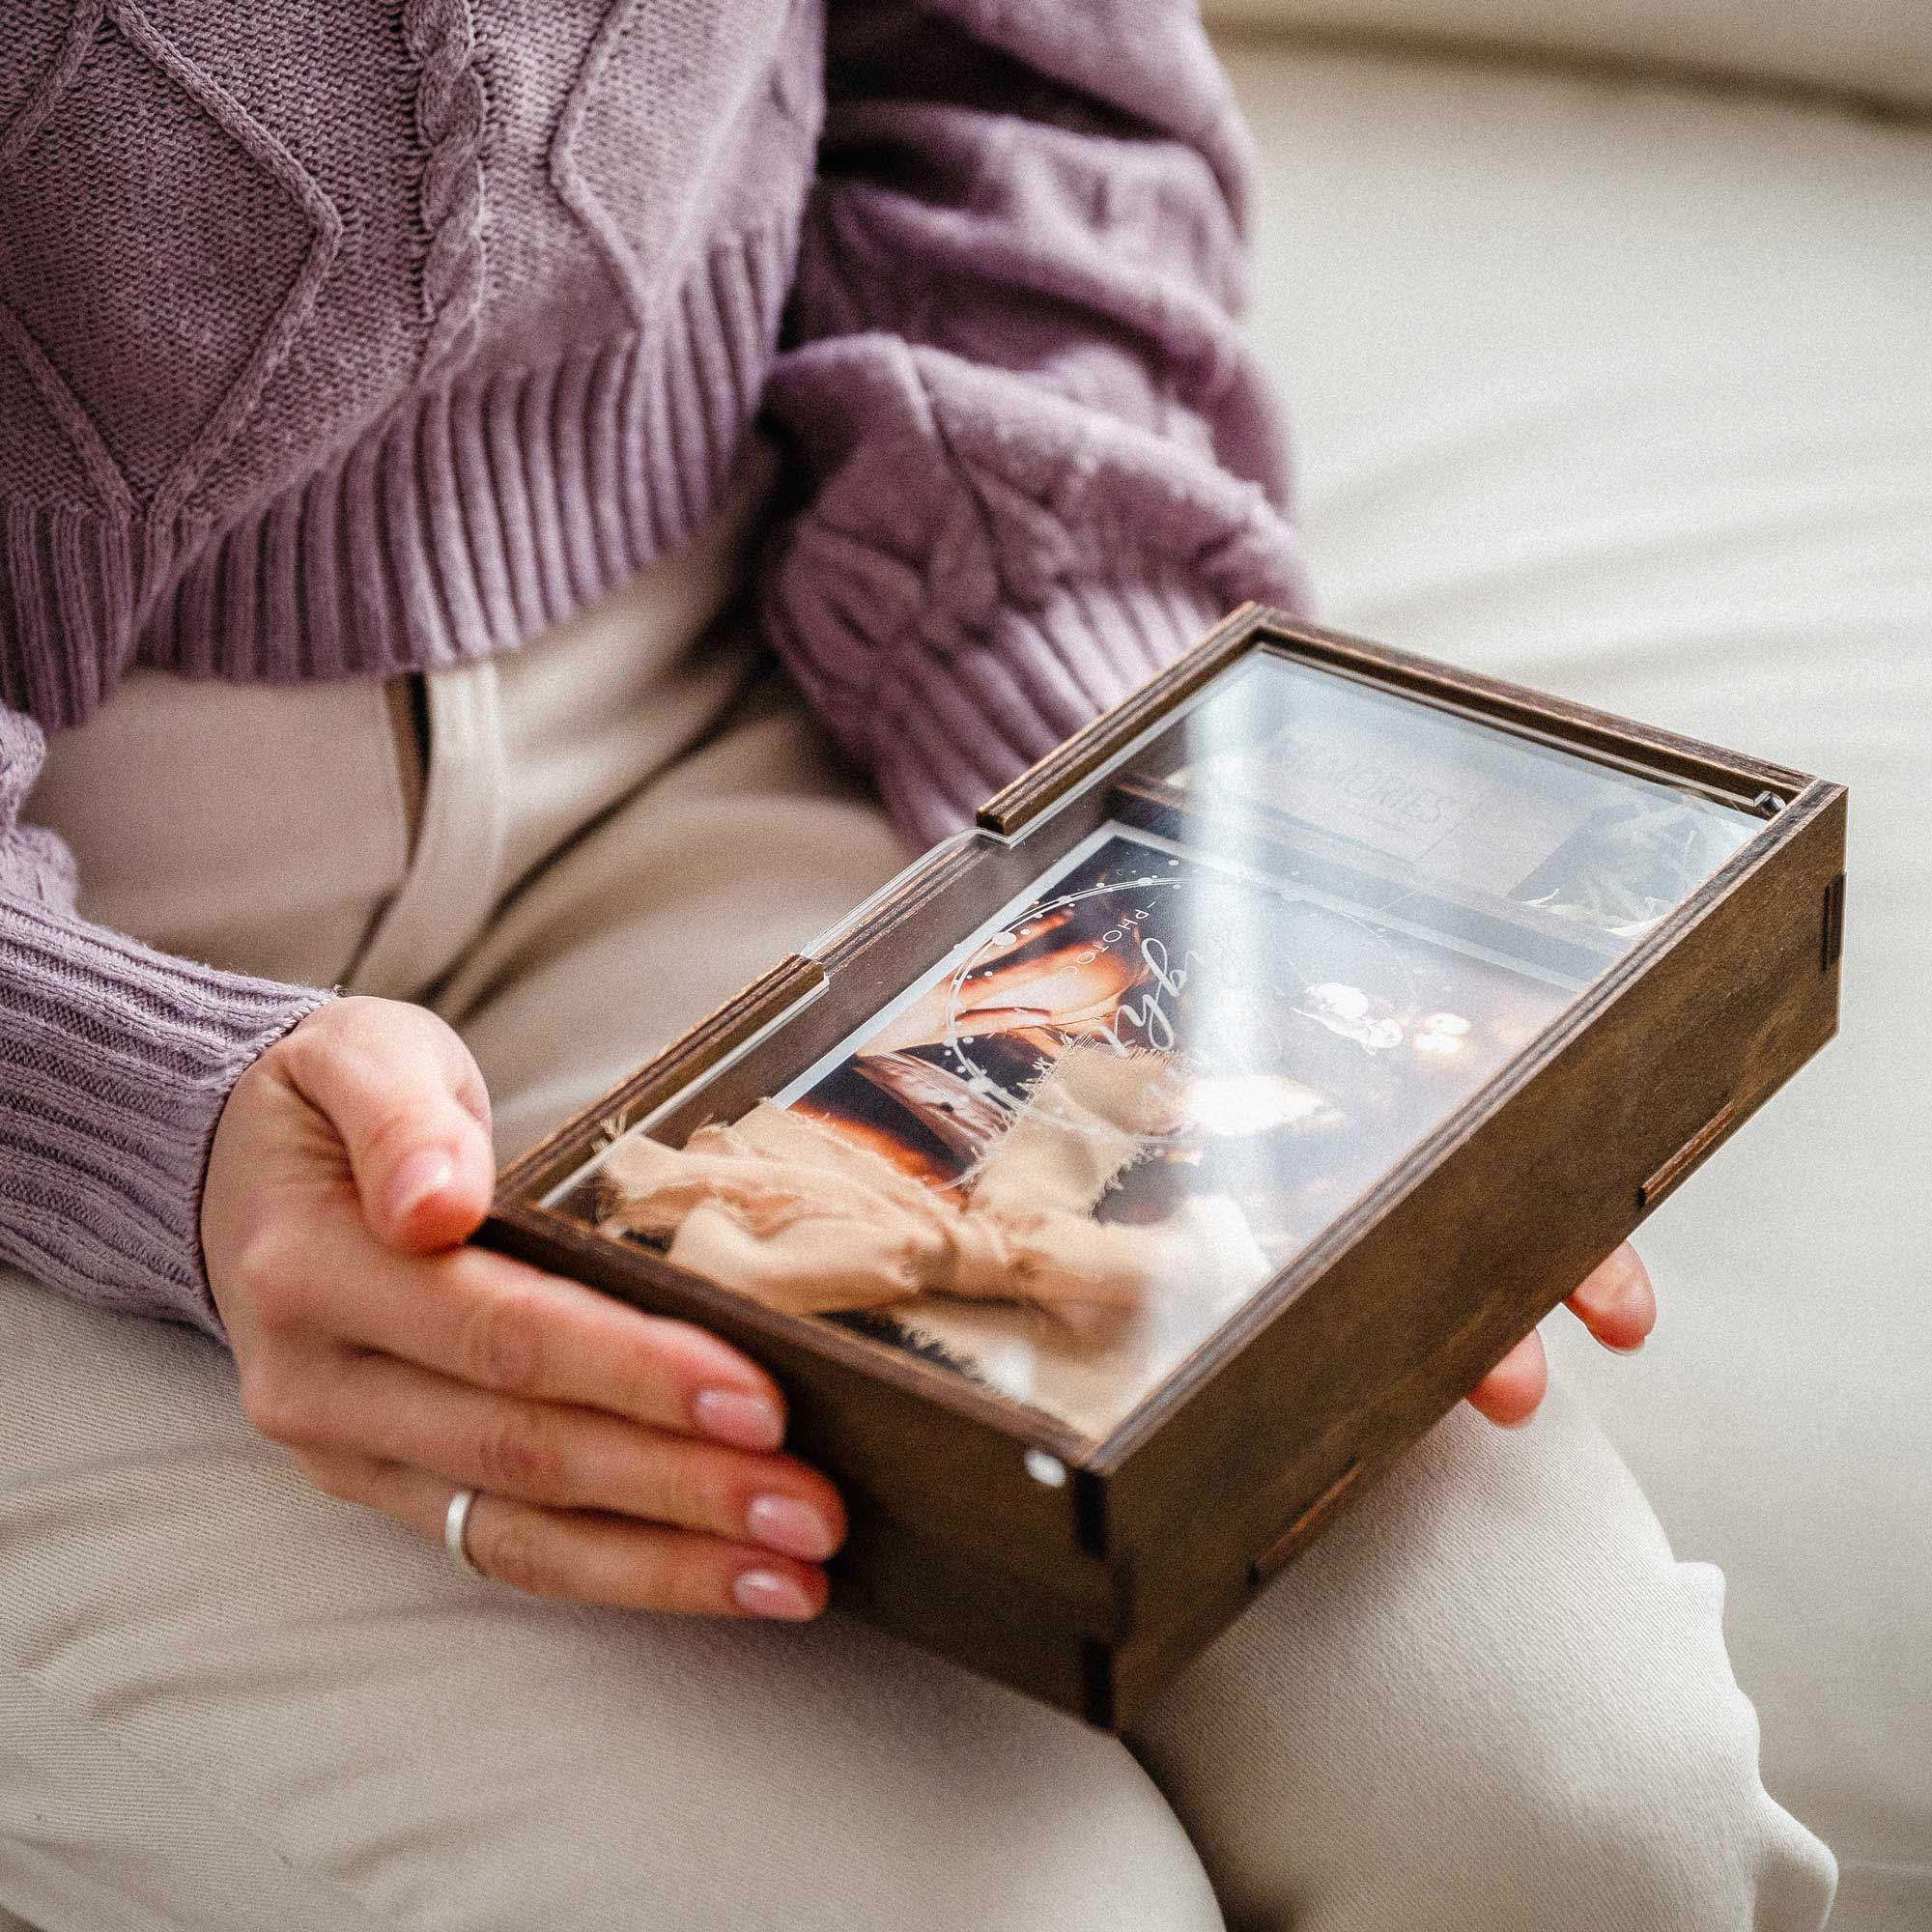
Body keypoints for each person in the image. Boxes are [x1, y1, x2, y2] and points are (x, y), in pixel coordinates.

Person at [0, 3, 1834, 1925]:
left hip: (727, 688)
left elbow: (1024, 97)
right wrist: (117, 1103)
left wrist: (1119, 795)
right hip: (79, 959)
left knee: (1572, 1811)